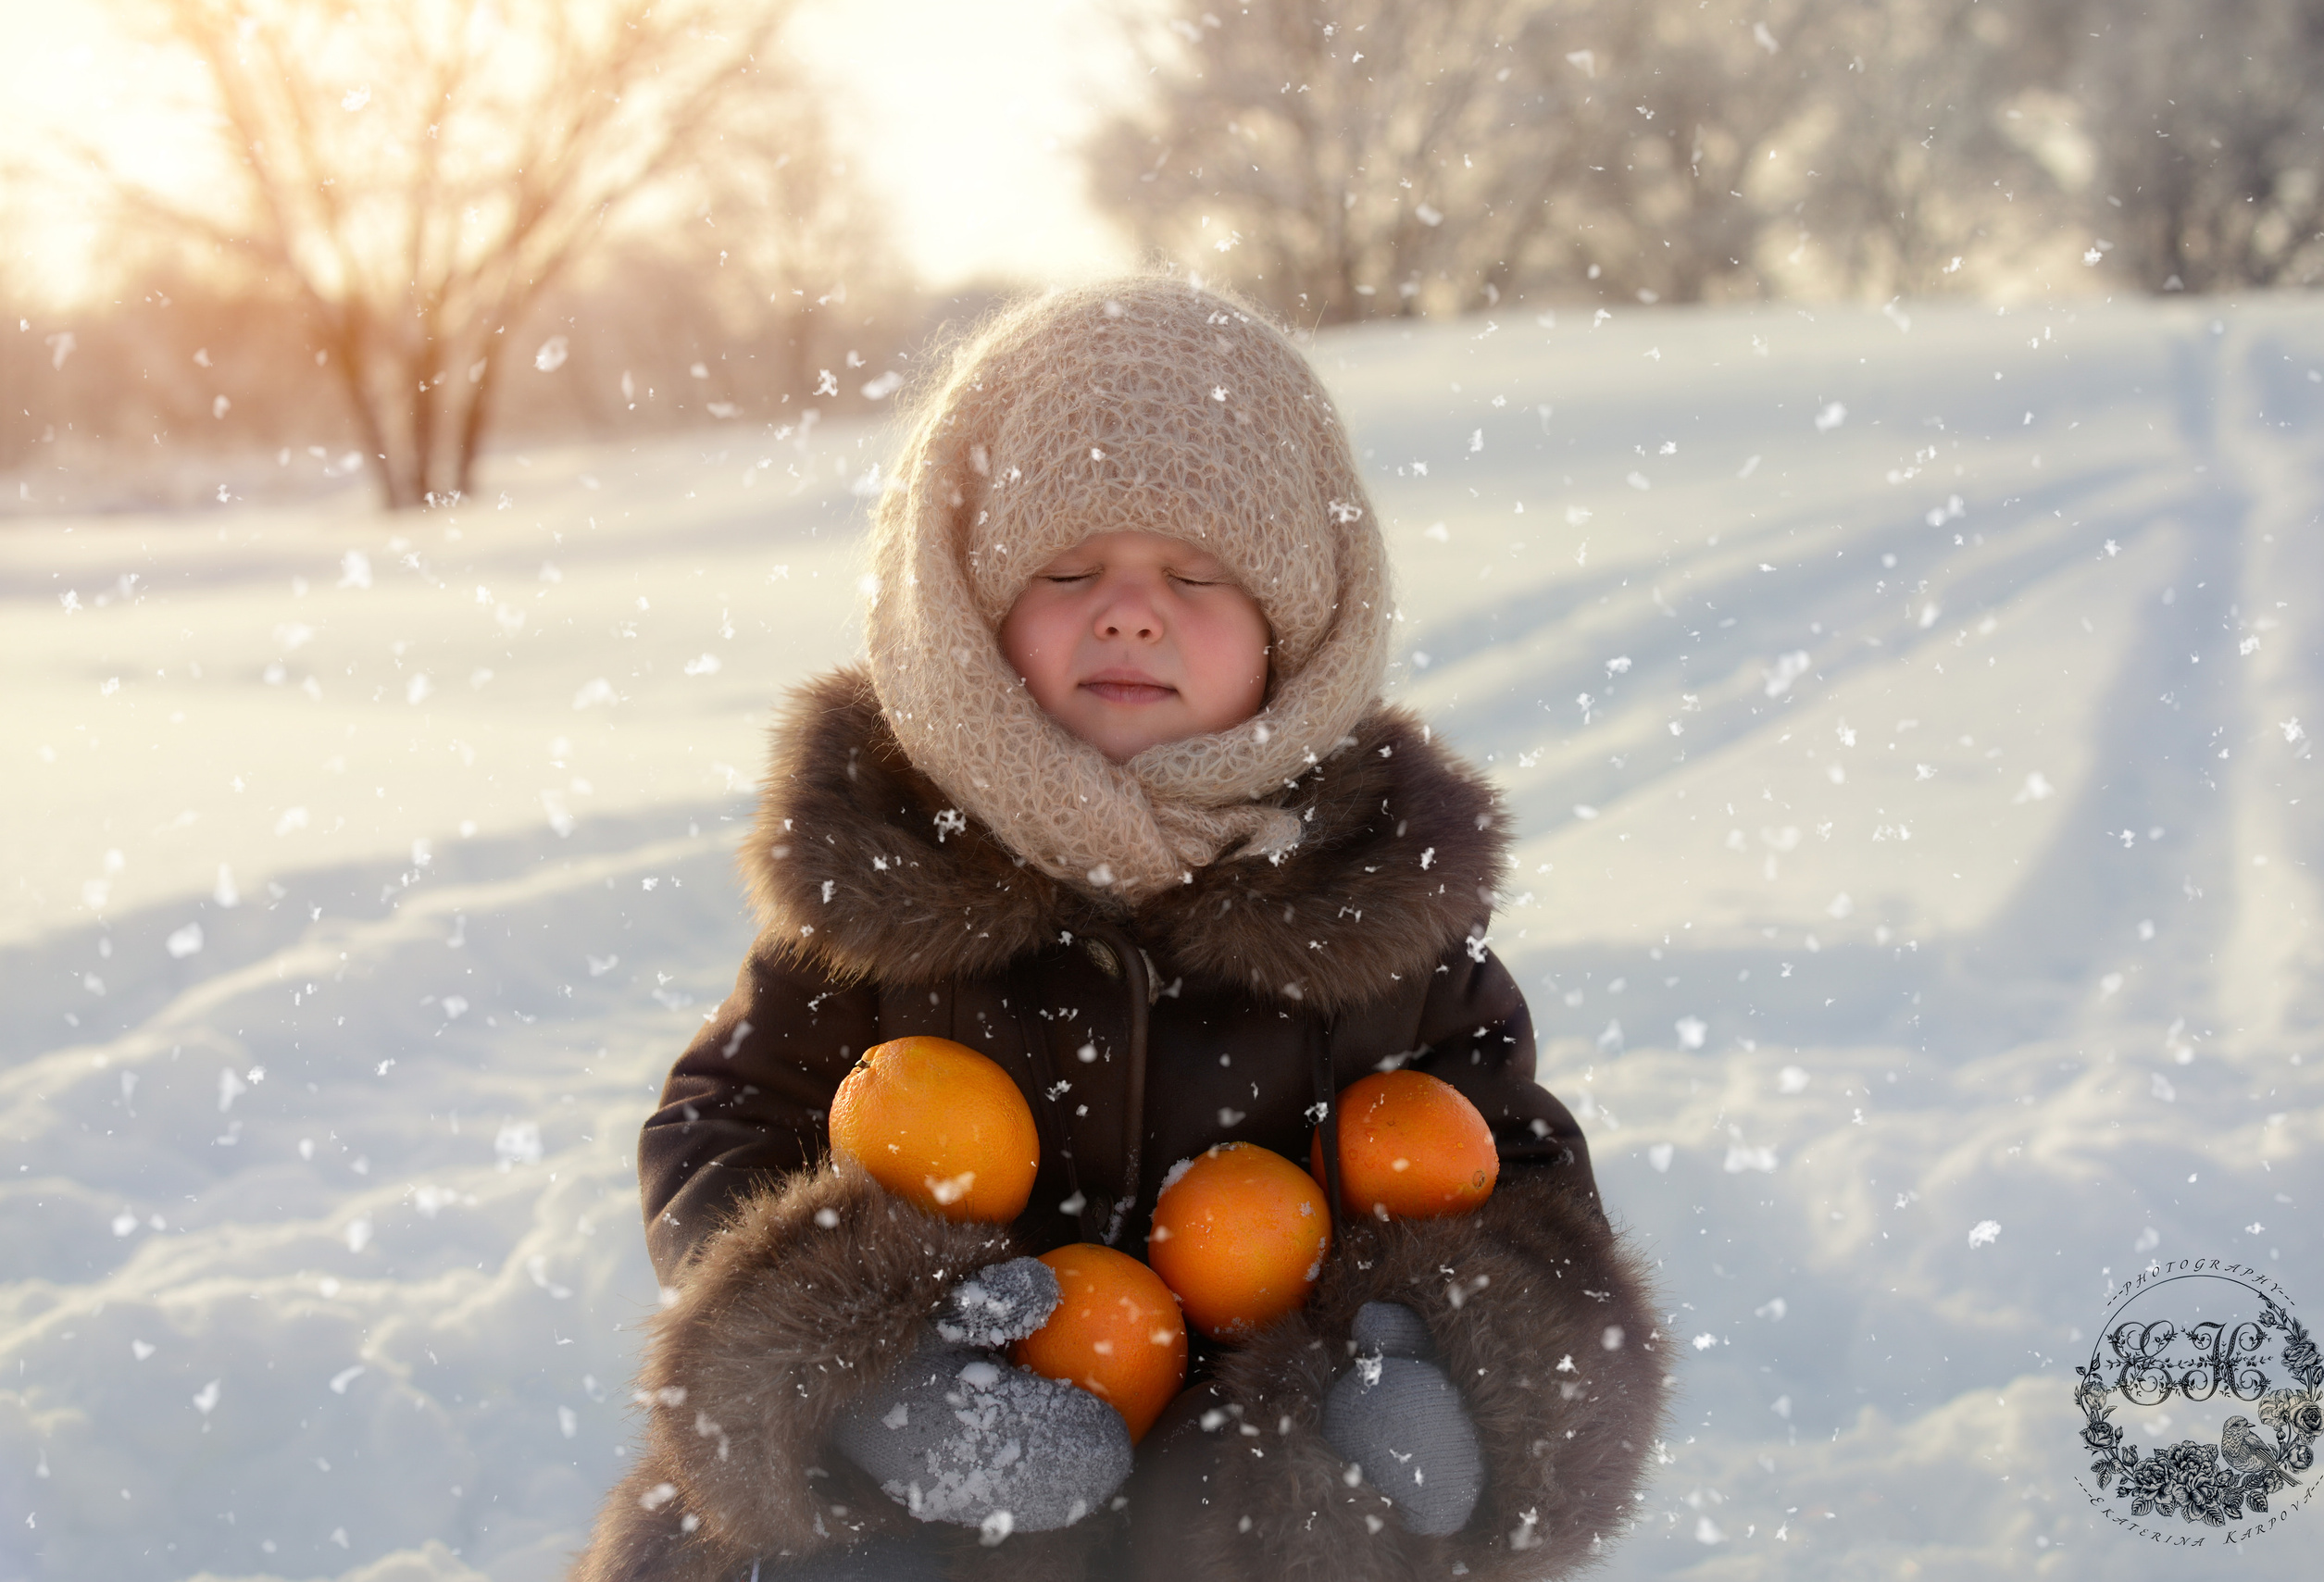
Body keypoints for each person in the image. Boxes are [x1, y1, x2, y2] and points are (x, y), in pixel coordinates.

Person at [571, 277, 1668, 1582]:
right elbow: (723, 1126)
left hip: (1264, 1524)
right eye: (1068, 569)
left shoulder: (1381, 920)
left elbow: (1523, 1180)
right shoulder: (890, 882)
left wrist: (1445, 1369)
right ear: (973, 617)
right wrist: (857, 1366)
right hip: (939, 1506)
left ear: (1295, 626)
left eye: (1197, 573)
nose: (1131, 610)